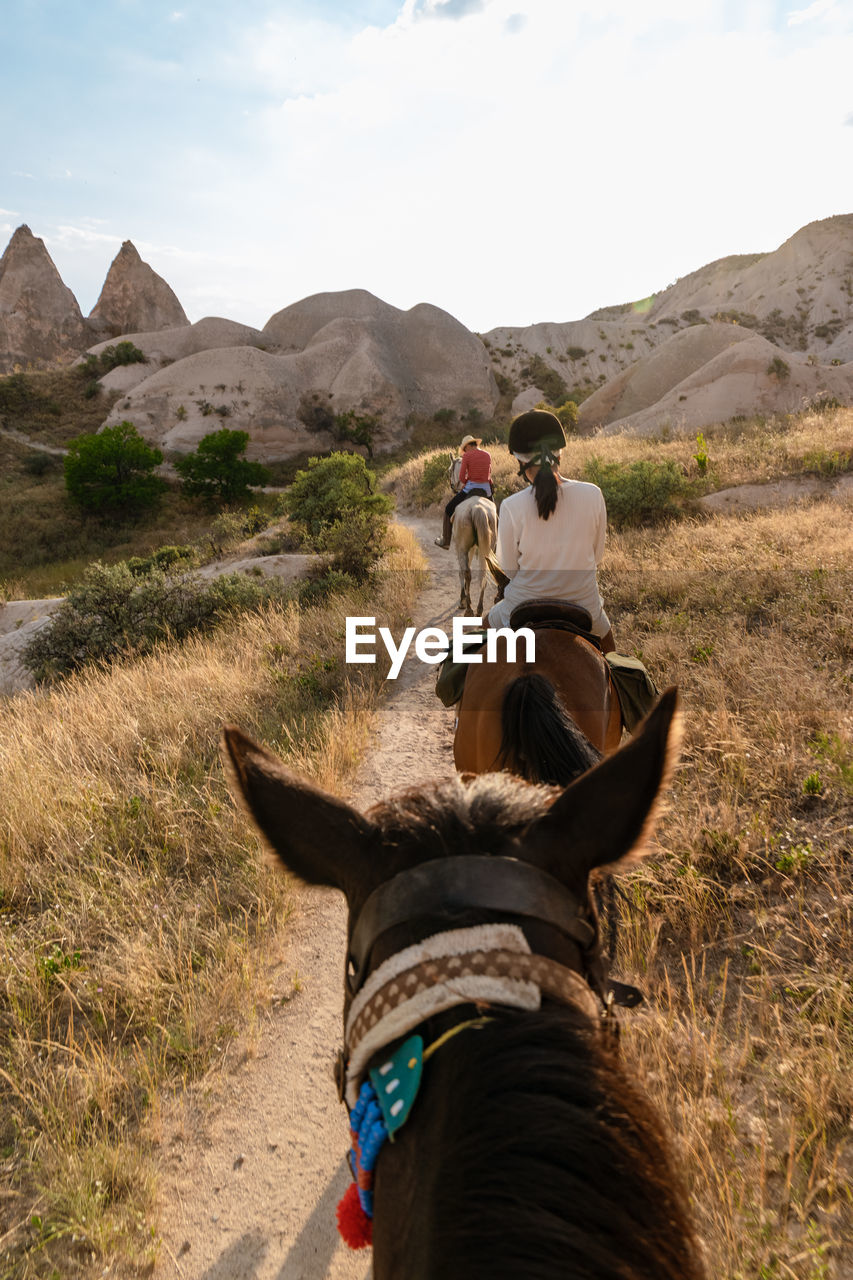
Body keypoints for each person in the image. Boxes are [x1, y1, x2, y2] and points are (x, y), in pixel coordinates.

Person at [483, 409, 615, 653]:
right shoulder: (593, 493)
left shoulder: (511, 506)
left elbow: (510, 570)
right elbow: (597, 558)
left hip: (523, 603)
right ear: (559, 454)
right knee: (616, 666)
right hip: (584, 602)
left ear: (520, 461)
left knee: (479, 635)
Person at [434, 434, 492, 549]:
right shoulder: (487, 455)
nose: (464, 451)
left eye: (465, 449)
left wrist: (466, 481)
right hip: (486, 490)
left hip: (470, 488)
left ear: (468, 446)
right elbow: (489, 474)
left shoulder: (467, 456)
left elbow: (461, 477)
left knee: (448, 509)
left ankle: (445, 541)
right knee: (495, 513)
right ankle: (497, 543)